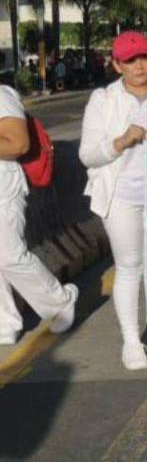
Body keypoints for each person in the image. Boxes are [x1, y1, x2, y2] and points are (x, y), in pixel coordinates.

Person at [79, 31, 147, 370]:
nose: (139, 66)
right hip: (121, 195)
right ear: (117, 65)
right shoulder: (104, 99)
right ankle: (131, 341)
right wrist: (120, 142)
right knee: (128, 267)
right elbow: (87, 155)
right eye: (130, 60)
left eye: (144, 58)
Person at [0, 84, 78, 345]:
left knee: (10, 256)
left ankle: (60, 301)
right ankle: (5, 322)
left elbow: (19, 143)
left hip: (4, 187)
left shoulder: (2, 96)